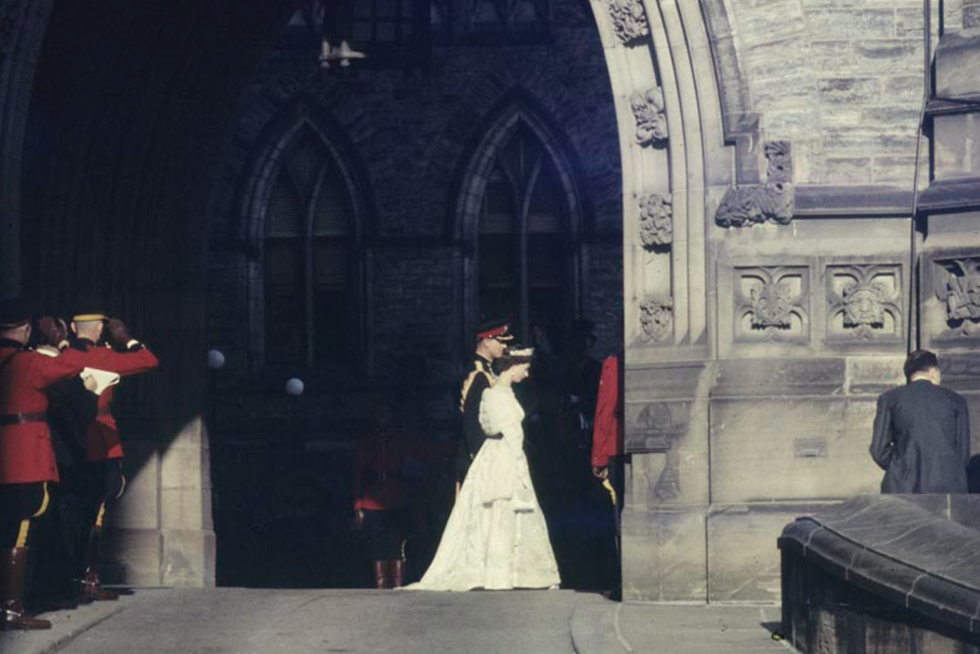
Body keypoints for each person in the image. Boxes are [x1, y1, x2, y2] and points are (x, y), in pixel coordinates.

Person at [407, 347, 560, 591]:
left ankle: (521, 573)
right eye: (526, 368)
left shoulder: (505, 392)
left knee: (515, 512)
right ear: (514, 366)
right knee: (498, 509)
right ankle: (497, 573)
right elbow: (492, 427)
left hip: (509, 454)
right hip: (502, 455)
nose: (527, 374)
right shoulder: (494, 392)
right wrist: (514, 457)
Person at [0, 300, 86, 629]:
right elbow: (74, 363)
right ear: (24, 330)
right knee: (18, 531)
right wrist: (63, 340)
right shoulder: (30, 363)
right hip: (23, 459)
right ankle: (10, 607)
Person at [63, 309, 159, 601]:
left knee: (70, 511)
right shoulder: (104, 357)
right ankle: (87, 577)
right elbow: (148, 361)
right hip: (99, 442)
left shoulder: (63, 355)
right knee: (95, 513)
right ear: (102, 330)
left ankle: (68, 576)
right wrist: (127, 339)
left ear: (71, 328)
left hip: (65, 443)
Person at [870, 349, 971, 494]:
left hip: (902, 486)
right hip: (948, 485)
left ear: (909, 374)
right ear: (933, 371)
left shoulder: (889, 399)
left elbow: (878, 449)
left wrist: (900, 466)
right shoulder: (956, 401)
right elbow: (963, 453)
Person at [352, 404, 413, 589]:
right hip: (372, 499)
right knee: (377, 546)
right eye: (379, 414)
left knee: (396, 545)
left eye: (386, 413)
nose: (383, 417)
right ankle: (380, 586)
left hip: (396, 497)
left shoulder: (400, 437)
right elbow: (358, 473)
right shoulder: (367, 440)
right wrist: (358, 505)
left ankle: (397, 585)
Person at [455, 319, 512, 486]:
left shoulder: (487, 371)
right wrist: (481, 458)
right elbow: (472, 421)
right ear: (486, 342)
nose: (504, 346)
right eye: (500, 341)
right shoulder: (479, 374)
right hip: (476, 456)